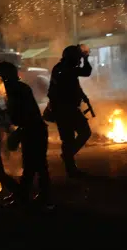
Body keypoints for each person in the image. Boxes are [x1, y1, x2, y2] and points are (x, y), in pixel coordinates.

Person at [0, 62, 50, 205]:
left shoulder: (16, 89)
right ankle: (27, 195)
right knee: (34, 165)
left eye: (0, 76)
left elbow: (22, 114)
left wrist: (14, 127)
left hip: (33, 130)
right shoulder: (16, 88)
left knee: (36, 165)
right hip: (32, 129)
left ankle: (36, 197)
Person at [47, 45, 92, 179]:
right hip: (65, 110)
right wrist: (86, 58)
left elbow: (74, 84)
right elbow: (86, 72)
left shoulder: (63, 68)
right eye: (78, 57)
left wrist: (82, 96)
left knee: (69, 139)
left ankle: (71, 166)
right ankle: (69, 160)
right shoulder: (65, 69)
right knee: (79, 134)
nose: (79, 60)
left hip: (66, 109)